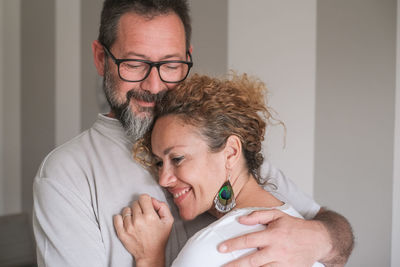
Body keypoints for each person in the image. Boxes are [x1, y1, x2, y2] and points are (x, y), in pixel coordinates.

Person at [32, 0, 353, 266]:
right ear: (102, 59)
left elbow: (332, 231)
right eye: (134, 63)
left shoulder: (222, 144)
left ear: (187, 57)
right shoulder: (66, 175)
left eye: (170, 65)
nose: (154, 86)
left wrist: (318, 239)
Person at [113, 73, 327, 267]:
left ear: (231, 152)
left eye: (177, 158)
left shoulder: (213, 249)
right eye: (159, 162)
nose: (163, 180)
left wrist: (149, 258)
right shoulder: (299, 232)